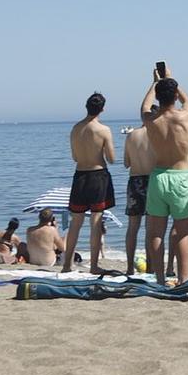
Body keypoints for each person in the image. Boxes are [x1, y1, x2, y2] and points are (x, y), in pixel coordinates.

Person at [143, 73, 188, 284]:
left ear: (158, 96)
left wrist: (154, 82)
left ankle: (159, 278)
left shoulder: (150, 119)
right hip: (182, 177)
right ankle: (183, 279)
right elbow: (187, 100)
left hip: (159, 177)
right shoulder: (185, 115)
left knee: (156, 232)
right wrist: (172, 79)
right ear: (174, 96)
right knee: (184, 233)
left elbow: (145, 106)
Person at [62, 90, 117, 274]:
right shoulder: (103, 130)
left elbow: (75, 156)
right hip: (97, 175)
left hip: (79, 176)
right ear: (102, 109)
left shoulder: (75, 128)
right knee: (96, 221)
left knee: (75, 223)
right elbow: (111, 158)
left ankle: (66, 264)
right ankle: (93, 265)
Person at [121, 102, 154, 275]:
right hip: (151, 181)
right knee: (151, 227)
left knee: (132, 227)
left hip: (134, 180)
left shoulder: (131, 135)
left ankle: (128, 268)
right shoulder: (156, 135)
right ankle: (150, 266)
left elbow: (126, 163)